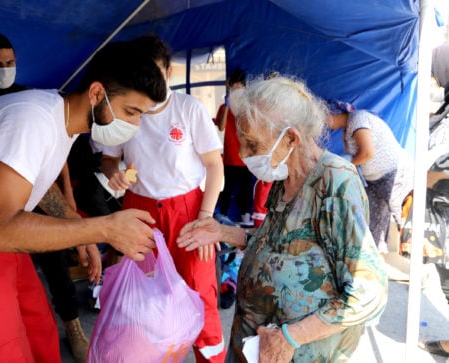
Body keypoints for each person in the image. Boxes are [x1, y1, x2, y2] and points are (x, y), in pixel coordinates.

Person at [0, 40, 166, 362]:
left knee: (40, 331)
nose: (135, 125)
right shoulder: (31, 118)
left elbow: (36, 185)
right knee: (2, 353)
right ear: (97, 94)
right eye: (131, 112)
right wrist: (103, 229)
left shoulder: (61, 119)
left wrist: (77, 225)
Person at [177, 75, 388, 362]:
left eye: (252, 144)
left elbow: (368, 292)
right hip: (256, 344)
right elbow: (280, 244)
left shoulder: (335, 183)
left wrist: (290, 337)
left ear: (291, 138)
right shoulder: (285, 177)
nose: (242, 153)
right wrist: (222, 233)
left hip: (298, 352)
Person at [0, 31, 89, 362]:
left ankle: (73, 326)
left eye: (10, 63)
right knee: (6, 288)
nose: (5, 70)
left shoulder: (29, 97)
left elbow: (56, 154)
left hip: (38, 198)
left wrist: (67, 196)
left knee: (57, 267)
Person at [100, 35, 226, 362]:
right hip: (139, 212)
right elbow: (109, 158)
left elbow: (214, 165)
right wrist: (113, 170)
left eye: (155, 74)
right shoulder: (126, 110)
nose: (150, 84)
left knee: (200, 291)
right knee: (143, 298)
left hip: (189, 211)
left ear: (168, 72)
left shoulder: (189, 109)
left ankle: (209, 356)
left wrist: (206, 216)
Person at [326, 100, 415, 253]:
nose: (324, 125)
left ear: (332, 114)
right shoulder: (347, 130)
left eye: (323, 119)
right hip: (374, 180)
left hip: (394, 173)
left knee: (402, 214)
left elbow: (367, 153)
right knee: (372, 221)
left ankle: (414, 252)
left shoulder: (358, 119)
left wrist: (347, 164)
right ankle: (374, 260)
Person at [214, 68, 254, 227]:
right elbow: (221, 127)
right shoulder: (225, 108)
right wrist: (227, 106)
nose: (237, 92)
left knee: (246, 190)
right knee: (226, 189)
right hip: (230, 156)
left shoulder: (248, 109)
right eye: (234, 89)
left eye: (240, 89)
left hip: (246, 158)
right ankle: (222, 215)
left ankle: (245, 218)